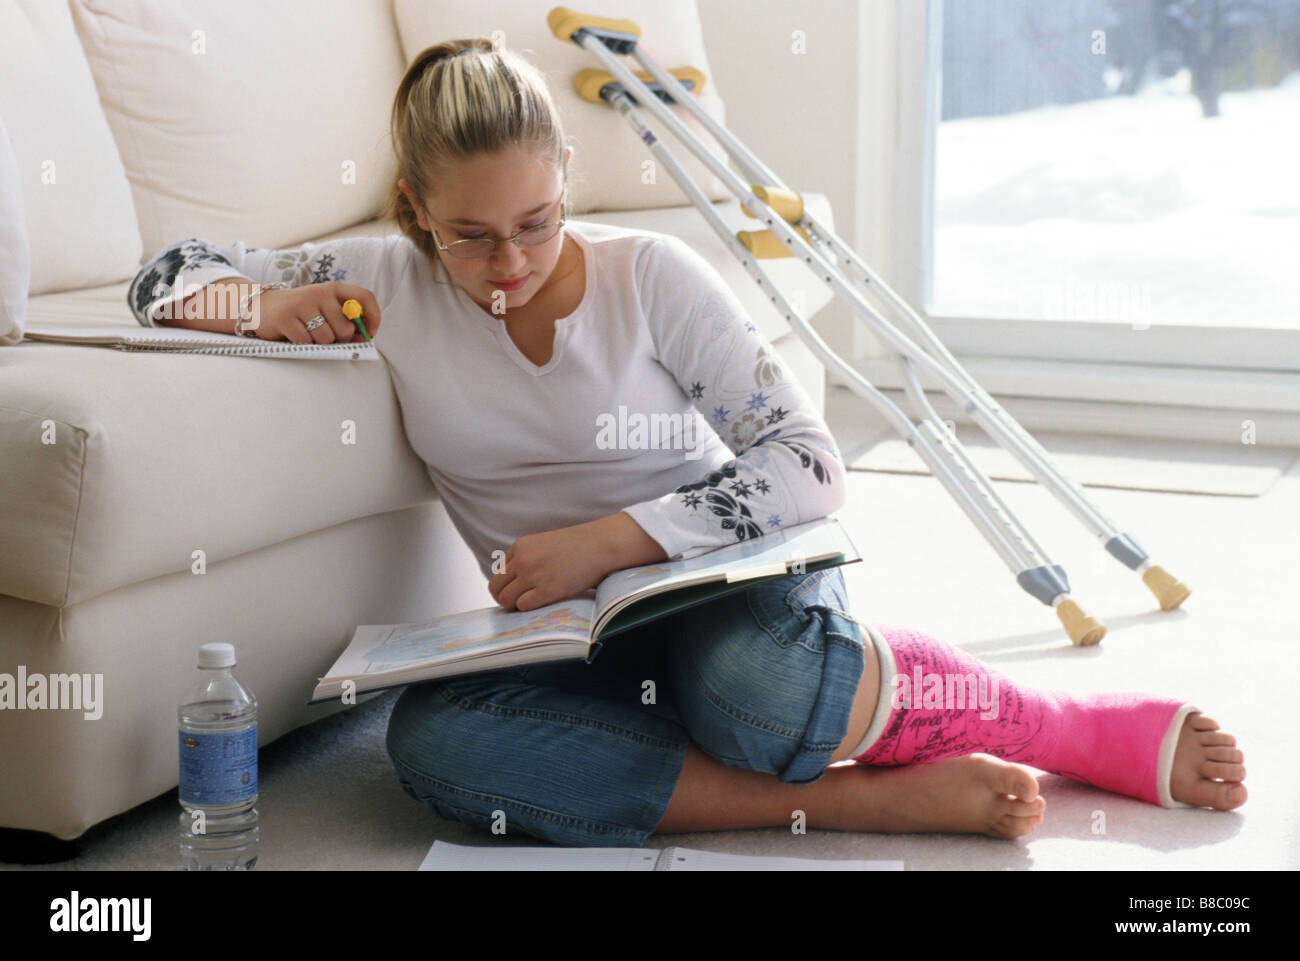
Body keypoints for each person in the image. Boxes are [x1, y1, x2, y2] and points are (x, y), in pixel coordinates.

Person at [126, 38, 1246, 848]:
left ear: (565, 177)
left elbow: (807, 459)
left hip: (720, 599)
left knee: (757, 693)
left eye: (535, 222)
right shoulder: (382, 275)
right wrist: (256, 308)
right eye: (470, 236)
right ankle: (854, 800)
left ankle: (1052, 719)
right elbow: (160, 278)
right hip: (567, 641)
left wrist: (612, 539)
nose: (508, 262)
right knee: (431, 748)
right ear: (416, 208)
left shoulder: (650, 277)